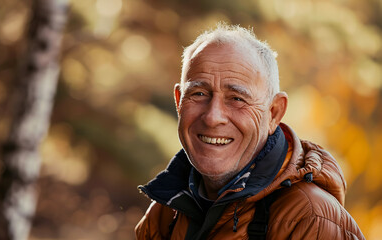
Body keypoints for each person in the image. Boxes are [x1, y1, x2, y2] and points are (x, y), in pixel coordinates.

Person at [135, 24, 364, 240]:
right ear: (179, 102)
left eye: (236, 98)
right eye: (199, 94)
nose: (213, 117)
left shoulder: (308, 219)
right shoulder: (165, 213)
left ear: (273, 113)